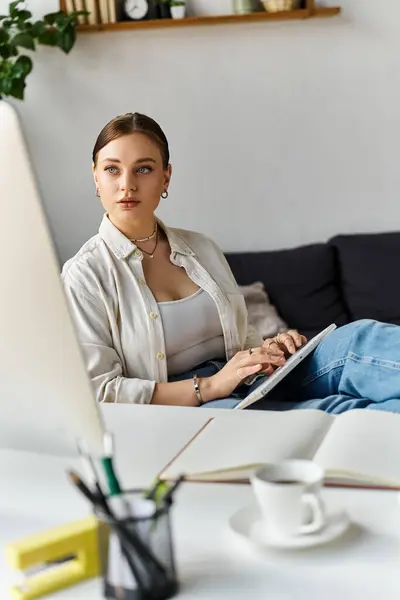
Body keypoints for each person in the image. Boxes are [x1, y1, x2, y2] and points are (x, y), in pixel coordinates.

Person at [62, 112, 400, 414]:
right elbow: (100, 391)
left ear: (165, 178)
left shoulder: (201, 248)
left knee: (360, 339)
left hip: (249, 379)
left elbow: (242, 339)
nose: (127, 184)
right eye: (112, 169)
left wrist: (271, 347)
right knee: (344, 410)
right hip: (197, 404)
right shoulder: (85, 275)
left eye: (144, 169)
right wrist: (209, 386)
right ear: (95, 176)